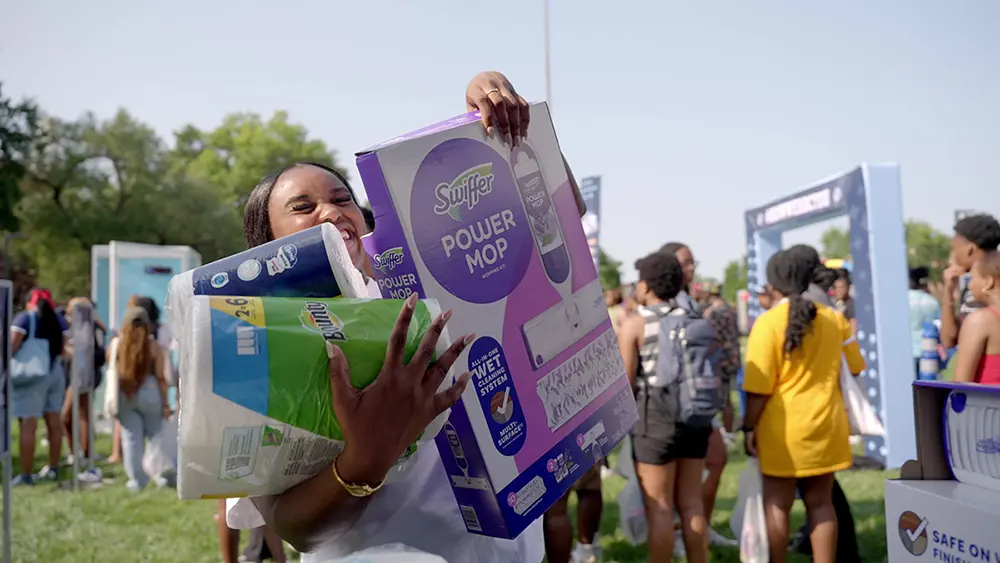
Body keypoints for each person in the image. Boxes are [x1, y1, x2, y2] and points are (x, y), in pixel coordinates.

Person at [225, 71, 586, 563]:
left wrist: (503, 121)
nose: (331, 213)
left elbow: (562, 215)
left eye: (341, 198)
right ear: (268, 244)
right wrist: (365, 459)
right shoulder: (261, 346)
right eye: (303, 207)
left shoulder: (425, 284)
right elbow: (295, 529)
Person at [742, 250, 866, 563]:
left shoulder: (767, 323)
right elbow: (856, 366)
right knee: (821, 504)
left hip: (782, 430)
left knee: (777, 505)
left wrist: (747, 427)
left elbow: (758, 389)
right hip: (827, 424)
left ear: (773, 284)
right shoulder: (834, 319)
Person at [618, 250, 709, 563]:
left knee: (659, 509)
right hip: (695, 418)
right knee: (692, 505)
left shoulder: (635, 324)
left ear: (648, 286)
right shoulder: (695, 318)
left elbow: (625, 382)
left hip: (654, 419)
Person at [782, 245, 861, 562]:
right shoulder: (830, 307)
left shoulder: (791, 310)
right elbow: (854, 364)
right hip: (828, 414)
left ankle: (832, 549)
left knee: (809, 499)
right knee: (824, 497)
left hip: (794, 419)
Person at [659, 242, 733, 551]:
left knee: (716, 459)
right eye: (685, 263)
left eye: (692, 263)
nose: (691, 268)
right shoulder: (665, 304)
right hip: (673, 402)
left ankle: (698, 524)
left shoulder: (690, 302)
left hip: (698, 398)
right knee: (682, 474)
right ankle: (683, 530)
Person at [10, 288, 68, 485]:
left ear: (29, 302)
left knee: (28, 423)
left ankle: (26, 474)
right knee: (53, 421)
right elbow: (63, 349)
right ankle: (53, 467)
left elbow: (11, 347)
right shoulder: (59, 321)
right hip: (55, 372)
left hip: (32, 375)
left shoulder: (24, 319)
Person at [112, 306, 171, 491]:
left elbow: (111, 367)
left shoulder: (118, 344)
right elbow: (161, 377)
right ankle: (162, 476)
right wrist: (166, 403)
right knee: (156, 437)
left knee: (131, 439)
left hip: (125, 393)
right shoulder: (153, 346)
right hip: (150, 391)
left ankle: (137, 481)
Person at [699, 283, 740, 548]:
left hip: (719, 362)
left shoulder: (714, 313)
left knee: (724, 401)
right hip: (731, 359)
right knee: (728, 401)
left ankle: (726, 433)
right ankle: (728, 433)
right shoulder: (731, 309)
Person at [939, 214, 1000, 349]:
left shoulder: (985, 286)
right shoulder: (971, 286)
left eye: (954, 249)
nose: (953, 256)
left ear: (969, 249)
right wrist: (948, 292)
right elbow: (949, 339)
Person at [61, 296, 104, 483]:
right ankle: (82, 453)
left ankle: (81, 453)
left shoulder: (85, 329)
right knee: (82, 415)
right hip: (84, 376)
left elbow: (80, 354)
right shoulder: (91, 326)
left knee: (67, 416)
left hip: (80, 377)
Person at [953, 251, 1000, 384]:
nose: (970, 285)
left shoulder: (980, 321)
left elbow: (961, 385)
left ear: (988, 282)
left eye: (973, 278)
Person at [908, 266, 942, 378]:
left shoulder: (902, 299)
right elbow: (938, 324)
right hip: (928, 350)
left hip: (907, 349)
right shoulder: (931, 301)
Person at [832, 269, 856, 334]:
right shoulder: (833, 302)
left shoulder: (851, 304)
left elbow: (853, 326)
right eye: (836, 287)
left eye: (841, 287)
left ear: (847, 288)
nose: (839, 291)